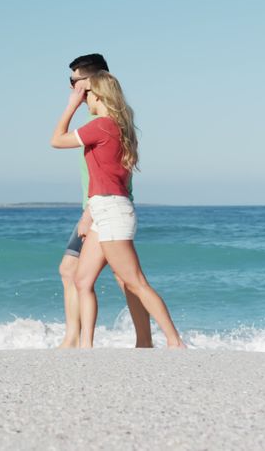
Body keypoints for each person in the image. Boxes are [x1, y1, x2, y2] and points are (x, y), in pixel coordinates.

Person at [50, 71, 184, 348]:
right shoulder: (117, 126)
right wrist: (89, 214)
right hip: (104, 209)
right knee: (82, 279)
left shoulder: (101, 125)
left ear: (98, 95)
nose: (84, 99)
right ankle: (86, 346)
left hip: (112, 210)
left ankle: (174, 341)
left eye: (87, 94)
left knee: (135, 282)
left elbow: (57, 139)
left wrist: (71, 105)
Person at [56, 54, 153, 349]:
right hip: (95, 207)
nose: (72, 87)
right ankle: (75, 338)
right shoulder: (98, 120)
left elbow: (120, 176)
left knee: (125, 278)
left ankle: (143, 341)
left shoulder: (105, 122)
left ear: (92, 81)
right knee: (70, 270)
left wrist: (89, 214)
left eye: (75, 81)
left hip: (103, 208)